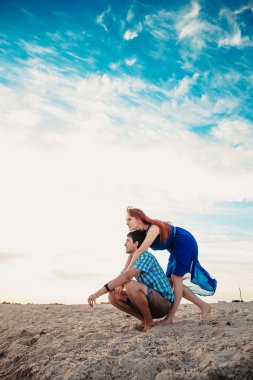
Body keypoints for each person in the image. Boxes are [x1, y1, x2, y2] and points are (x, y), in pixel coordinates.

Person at [124, 206, 217, 326]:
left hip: (184, 241)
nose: (126, 223)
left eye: (129, 219)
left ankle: (170, 318)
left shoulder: (153, 228)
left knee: (176, 278)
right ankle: (203, 305)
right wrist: (124, 273)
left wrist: (126, 275)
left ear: (138, 217)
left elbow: (140, 251)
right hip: (173, 248)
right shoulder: (141, 233)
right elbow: (133, 252)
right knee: (167, 283)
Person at [88, 230, 174, 331]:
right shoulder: (133, 260)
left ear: (136, 243)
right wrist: (120, 282)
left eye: (128, 241)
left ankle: (149, 323)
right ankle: (145, 320)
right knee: (113, 296)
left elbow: (126, 277)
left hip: (163, 304)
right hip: (149, 301)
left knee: (130, 285)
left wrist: (97, 294)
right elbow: (120, 278)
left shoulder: (146, 256)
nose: (125, 244)